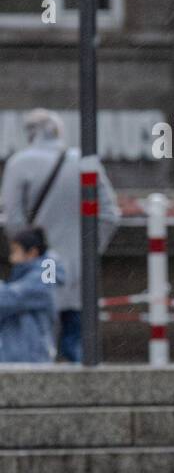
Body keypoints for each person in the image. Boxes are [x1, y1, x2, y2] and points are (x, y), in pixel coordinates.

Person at [0, 109, 119, 362]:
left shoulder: (20, 164)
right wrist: (85, 252)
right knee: (78, 341)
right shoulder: (85, 162)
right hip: (78, 271)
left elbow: (15, 222)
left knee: (39, 341)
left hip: (41, 270)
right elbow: (109, 215)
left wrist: (31, 254)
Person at [0, 227, 63, 363]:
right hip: (24, 353)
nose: (12, 258)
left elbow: (12, 297)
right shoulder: (32, 274)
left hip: (31, 355)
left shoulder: (45, 277)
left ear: (32, 253)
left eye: (15, 251)